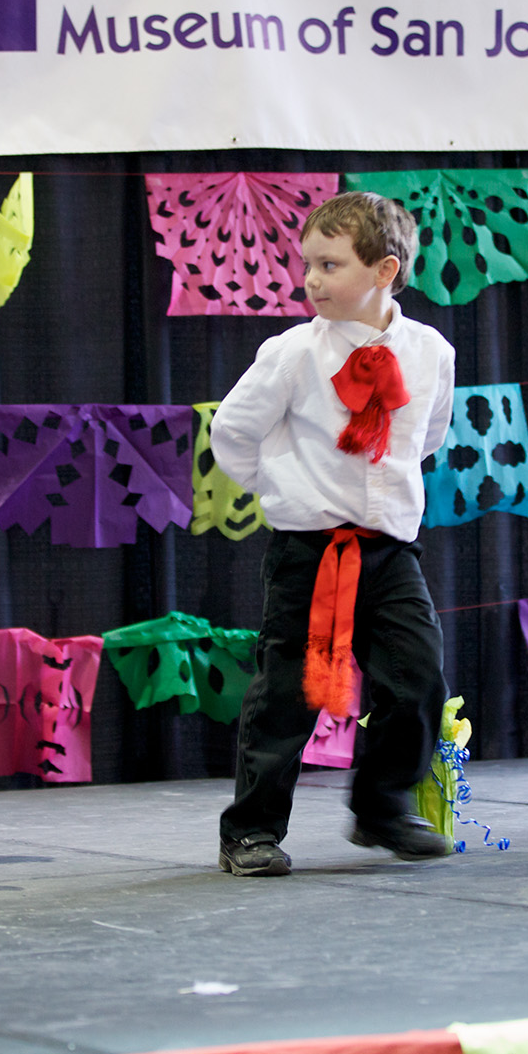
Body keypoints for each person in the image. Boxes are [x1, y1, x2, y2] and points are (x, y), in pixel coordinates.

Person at [209, 191, 456, 875]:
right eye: (307, 264)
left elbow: (428, 434)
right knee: (287, 693)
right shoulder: (292, 351)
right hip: (309, 550)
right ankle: (251, 830)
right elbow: (232, 431)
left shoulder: (430, 351)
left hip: (388, 547)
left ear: (385, 270)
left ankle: (383, 808)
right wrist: (285, 488)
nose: (311, 279)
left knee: (417, 677)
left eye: (329, 264)